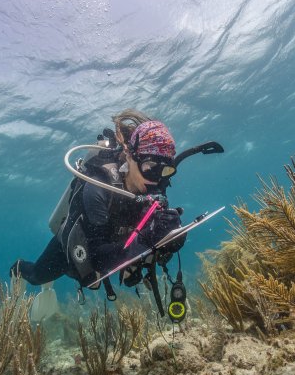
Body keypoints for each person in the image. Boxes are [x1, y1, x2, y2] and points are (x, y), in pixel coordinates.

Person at [10, 109, 183, 302]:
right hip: (74, 249)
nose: (157, 180)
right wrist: (147, 240)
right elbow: (97, 258)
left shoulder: (155, 182)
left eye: (166, 170)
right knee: (36, 276)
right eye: (150, 167)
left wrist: (170, 239)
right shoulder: (97, 188)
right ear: (130, 155)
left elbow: (144, 236)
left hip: (118, 248)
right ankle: (18, 267)